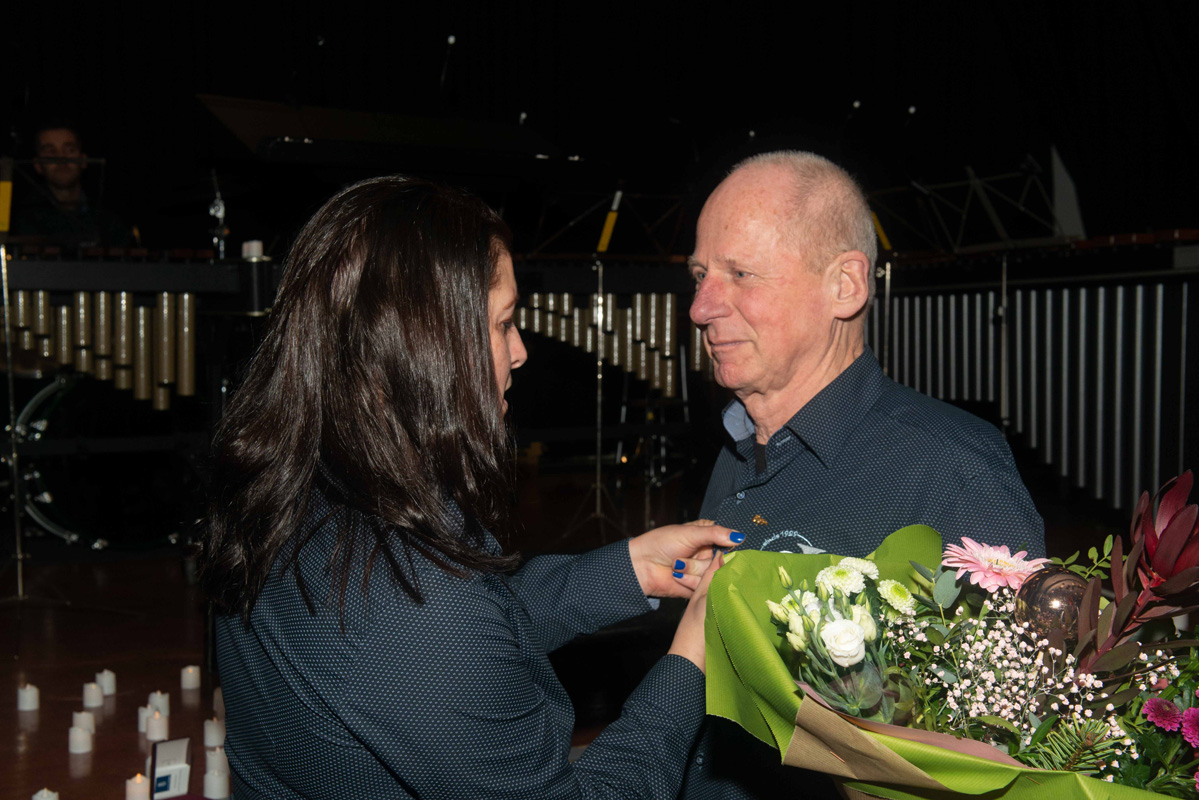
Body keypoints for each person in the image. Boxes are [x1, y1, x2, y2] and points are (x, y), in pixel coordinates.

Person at [200, 175, 742, 799]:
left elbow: (481, 628)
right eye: (503, 323)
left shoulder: (305, 480)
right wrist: (690, 664)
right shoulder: (401, 587)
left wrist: (631, 568)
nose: (520, 352)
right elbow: (441, 633)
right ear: (424, 343)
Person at [678, 150, 1045, 799]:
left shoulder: (952, 470)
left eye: (740, 274)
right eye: (701, 275)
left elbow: (1002, 742)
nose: (701, 307)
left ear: (845, 286)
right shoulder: (735, 449)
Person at [10, 122, 129, 248]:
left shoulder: (109, 216)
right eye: (51, 152)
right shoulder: (21, 220)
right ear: (38, 165)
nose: (61, 158)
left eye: (70, 150)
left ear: (83, 160)